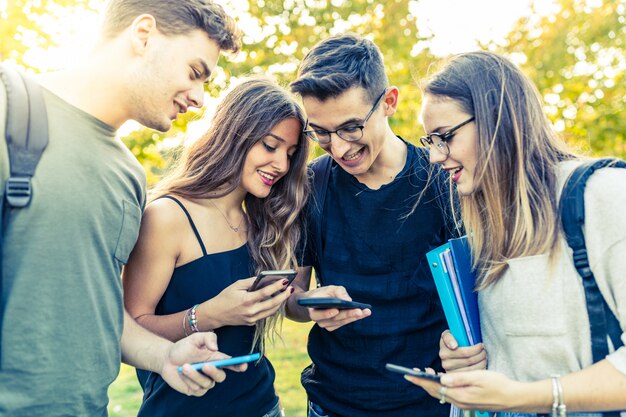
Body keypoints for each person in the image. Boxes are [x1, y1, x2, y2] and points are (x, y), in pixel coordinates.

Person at [0, 1, 243, 416]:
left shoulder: (128, 175)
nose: (200, 98)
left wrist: (166, 356)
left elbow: (100, 312)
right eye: (195, 72)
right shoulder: (9, 108)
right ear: (143, 35)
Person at [407, 51, 626, 416]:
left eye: (445, 137)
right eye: (430, 140)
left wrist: (521, 396)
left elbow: (522, 391)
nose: (434, 156)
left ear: (498, 120)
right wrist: (469, 361)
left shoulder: (604, 196)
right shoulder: (487, 226)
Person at [286, 33, 453, 417]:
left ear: (389, 102)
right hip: (333, 402)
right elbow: (291, 298)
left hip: (426, 403)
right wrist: (310, 306)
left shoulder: (443, 178)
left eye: (350, 127)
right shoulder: (310, 186)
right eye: (322, 133)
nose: (340, 147)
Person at [122, 77, 310, 417]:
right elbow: (129, 327)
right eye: (270, 146)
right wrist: (209, 315)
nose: (282, 165)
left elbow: (290, 304)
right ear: (234, 134)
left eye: (290, 153)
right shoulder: (166, 216)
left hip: (264, 407)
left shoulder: (261, 220)